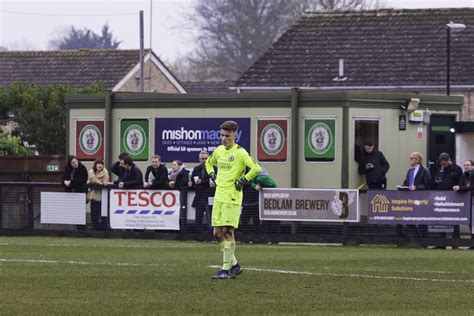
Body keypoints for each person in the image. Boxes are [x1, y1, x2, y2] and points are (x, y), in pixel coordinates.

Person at [205, 120, 262, 279]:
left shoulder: (241, 153)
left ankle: (225, 269)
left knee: (228, 232)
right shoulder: (218, 151)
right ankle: (235, 265)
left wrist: (243, 180)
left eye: (227, 135)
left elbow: (257, 168)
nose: (224, 138)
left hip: (232, 196)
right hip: (219, 196)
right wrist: (211, 175)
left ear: (235, 135)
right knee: (217, 234)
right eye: (222, 135)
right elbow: (209, 164)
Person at [188, 151, 215, 232]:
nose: (204, 160)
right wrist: (190, 183)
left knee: (210, 217)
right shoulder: (196, 169)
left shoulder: (214, 169)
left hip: (210, 196)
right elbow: (193, 180)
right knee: (198, 217)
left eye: (206, 158)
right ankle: (199, 235)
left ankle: (210, 235)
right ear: (199, 159)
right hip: (199, 196)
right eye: (202, 159)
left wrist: (202, 181)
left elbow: (214, 181)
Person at [87, 159, 109, 229]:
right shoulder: (91, 172)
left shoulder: (105, 173)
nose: (100, 165)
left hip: (102, 196)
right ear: (95, 165)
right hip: (93, 195)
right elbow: (92, 179)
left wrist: (101, 184)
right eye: (98, 164)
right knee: (94, 213)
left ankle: (103, 228)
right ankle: (95, 227)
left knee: (103, 213)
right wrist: (100, 183)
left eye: (101, 164)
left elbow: (106, 182)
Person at [168, 159, 190, 228]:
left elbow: (184, 182)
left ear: (179, 166)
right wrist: (169, 183)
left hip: (182, 194)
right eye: (172, 165)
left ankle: (182, 228)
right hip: (173, 196)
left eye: (174, 165)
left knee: (182, 211)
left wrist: (174, 184)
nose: (172, 166)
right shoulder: (170, 173)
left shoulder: (185, 172)